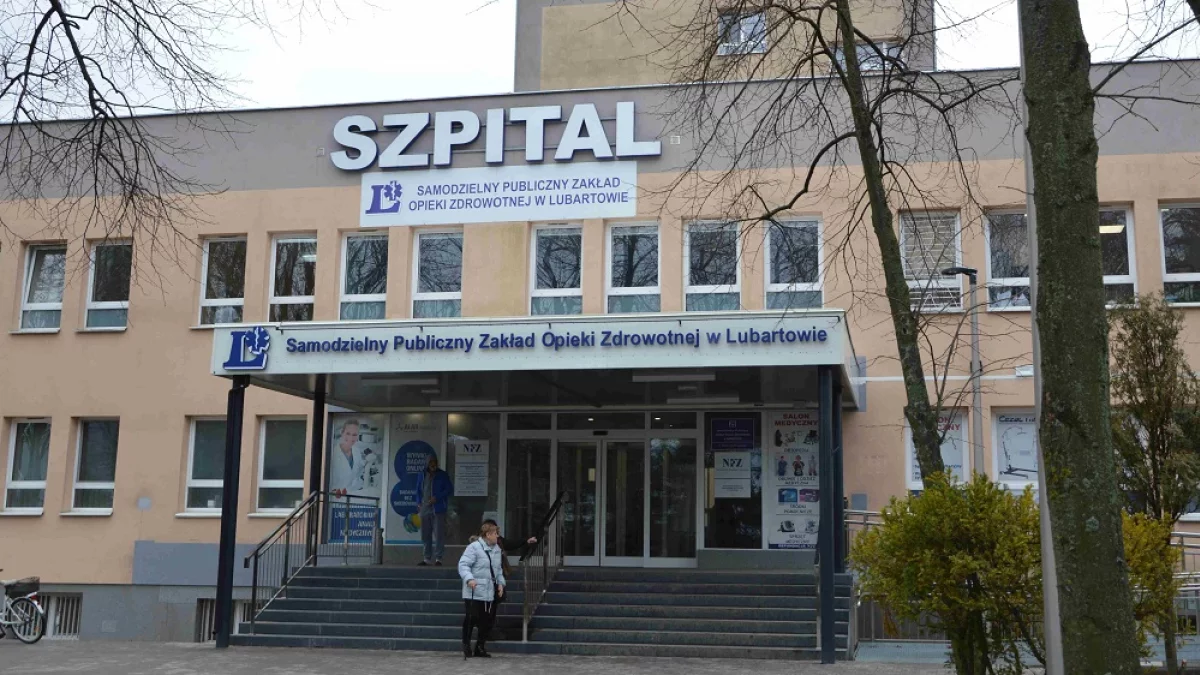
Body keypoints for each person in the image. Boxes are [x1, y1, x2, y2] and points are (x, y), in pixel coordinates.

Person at [480, 519, 536, 640]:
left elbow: (510, 544)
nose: (497, 535)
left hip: (495, 580)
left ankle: (488, 630)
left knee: (492, 606)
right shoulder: (479, 546)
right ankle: (485, 631)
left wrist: (525, 541)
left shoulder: (498, 543)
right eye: (495, 532)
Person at [458, 522, 506, 659]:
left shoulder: (497, 549)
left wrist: (500, 584)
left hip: (489, 592)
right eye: (495, 533)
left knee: (486, 621)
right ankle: (466, 645)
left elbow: (498, 570)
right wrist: (469, 579)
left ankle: (480, 647)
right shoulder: (474, 547)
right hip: (474, 590)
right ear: (488, 535)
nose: (497, 536)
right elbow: (463, 565)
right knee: (472, 618)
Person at [415, 455, 453, 566]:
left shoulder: (442, 475)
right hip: (425, 508)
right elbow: (418, 490)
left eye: (435, 462)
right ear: (427, 463)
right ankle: (426, 558)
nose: (433, 464)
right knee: (425, 534)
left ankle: (438, 558)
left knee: (439, 534)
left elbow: (449, 489)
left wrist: (437, 497)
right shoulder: (422, 475)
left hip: (438, 508)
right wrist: (418, 502)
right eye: (431, 462)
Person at [329, 420, 364, 497]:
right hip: (335, 497)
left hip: (353, 495)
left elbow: (360, 472)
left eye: (354, 435)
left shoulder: (357, 451)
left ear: (358, 436)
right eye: (348, 433)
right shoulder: (333, 453)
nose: (351, 438)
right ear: (342, 433)